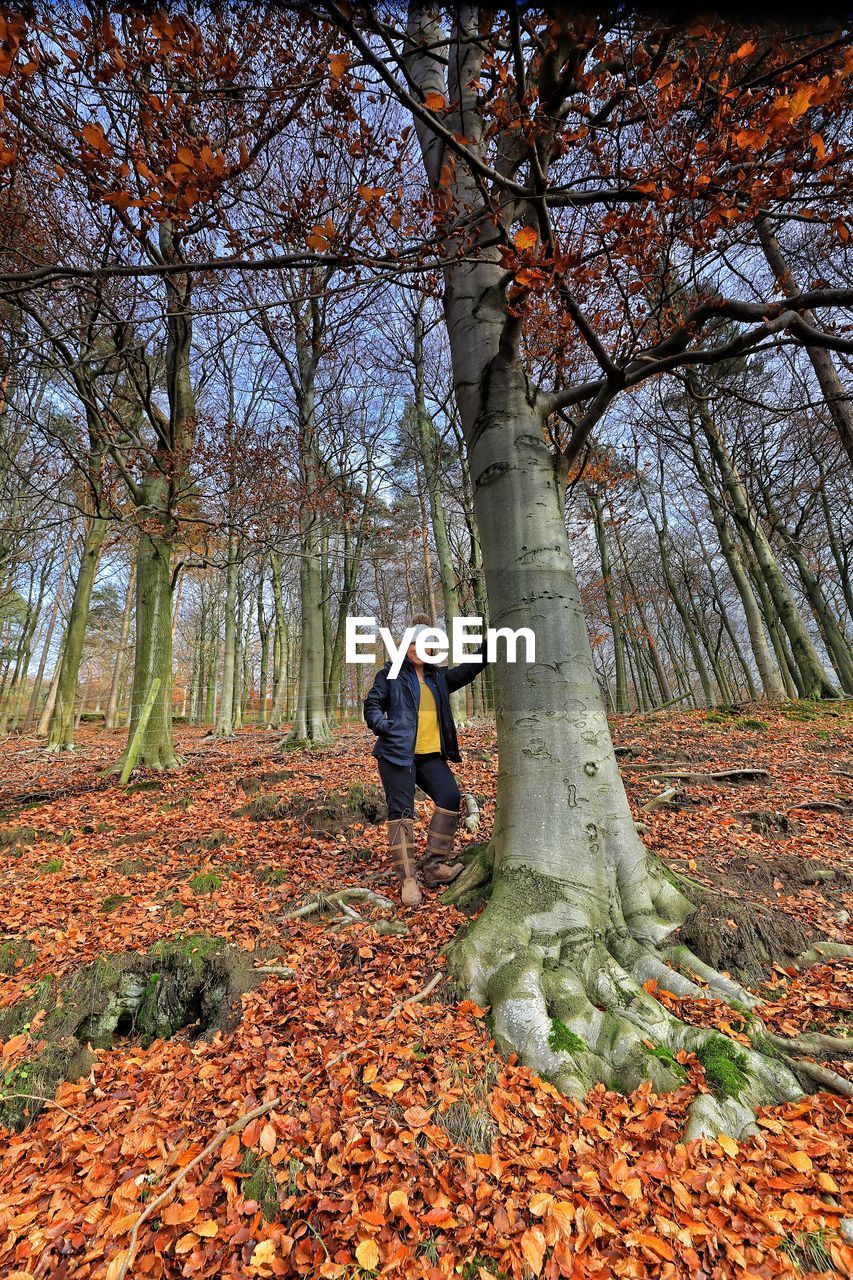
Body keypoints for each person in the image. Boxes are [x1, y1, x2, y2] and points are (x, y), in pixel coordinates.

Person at [363, 620, 489, 906]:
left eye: (424, 643)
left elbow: (467, 671)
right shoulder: (390, 674)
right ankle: (408, 879)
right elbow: (372, 704)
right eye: (412, 643)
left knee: (449, 796)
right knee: (402, 811)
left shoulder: (438, 678)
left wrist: (489, 647)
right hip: (397, 754)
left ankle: (434, 865)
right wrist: (382, 725)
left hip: (430, 754)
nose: (418, 649)